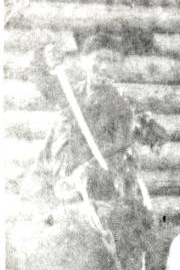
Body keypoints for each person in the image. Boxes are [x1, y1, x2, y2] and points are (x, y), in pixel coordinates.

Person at [26, 31, 163, 202]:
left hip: (91, 198)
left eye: (112, 61)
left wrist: (80, 177)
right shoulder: (70, 94)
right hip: (55, 191)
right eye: (99, 58)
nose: (104, 67)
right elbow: (41, 81)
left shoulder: (122, 108)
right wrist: (43, 57)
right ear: (84, 61)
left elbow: (115, 157)